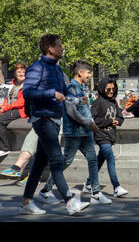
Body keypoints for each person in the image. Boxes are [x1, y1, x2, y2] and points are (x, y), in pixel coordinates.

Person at [19, 34, 88, 215]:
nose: (62, 48)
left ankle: (27, 202)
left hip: (54, 119)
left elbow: (65, 93)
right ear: (50, 48)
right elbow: (28, 92)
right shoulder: (37, 67)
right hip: (42, 119)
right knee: (57, 160)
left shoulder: (57, 70)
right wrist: (51, 93)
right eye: (59, 45)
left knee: (39, 162)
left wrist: (78, 100)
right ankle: (70, 202)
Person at [36, 61, 112, 205]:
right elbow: (71, 111)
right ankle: (45, 191)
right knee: (66, 161)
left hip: (84, 131)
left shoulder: (79, 87)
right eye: (88, 72)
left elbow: (82, 109)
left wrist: (89, 123)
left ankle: (95, 193)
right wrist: (88, 122)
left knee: (92, 159)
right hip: (74, 132)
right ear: (80, 73)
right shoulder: (72, 87)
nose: (90, 75)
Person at [84, 78, 128, 198]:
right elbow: (93, 119)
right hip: (101, 135)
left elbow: (120, 116)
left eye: (113, 89)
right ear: (103, 89)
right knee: (110, 158)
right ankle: (116, 187)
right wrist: (109, 121)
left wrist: (118, 121)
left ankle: (88, 183)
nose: (111, 91)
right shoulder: (98, 102)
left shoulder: (114, 102)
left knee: (100, 160)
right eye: (108, 89)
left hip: (110, 135)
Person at [0, 64, 28, 157]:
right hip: (10, 108)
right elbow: (7, 98)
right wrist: (2, 108)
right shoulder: (12, 84)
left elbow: (21, 103)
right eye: (19, 72)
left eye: (23, 72)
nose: (21, 74)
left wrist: (6, 108)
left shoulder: (27, 85)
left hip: (21, 110)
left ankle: (4, 148)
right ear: (15, 73)